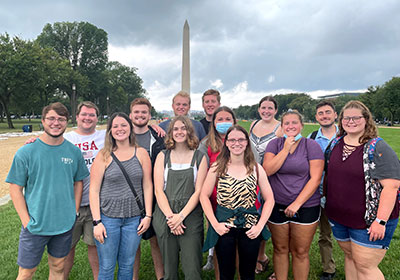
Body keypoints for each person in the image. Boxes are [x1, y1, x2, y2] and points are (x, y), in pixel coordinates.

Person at [7, 102, 89, 280]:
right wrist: (26, 220)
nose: (56, 123)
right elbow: (15, 187)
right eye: (51, 118)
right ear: (43, 121)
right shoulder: (26, 152)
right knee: (26, 272)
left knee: (58, 267)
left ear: (67, 122)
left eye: (61, 119)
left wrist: (74, 211)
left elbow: (78, 182)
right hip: (35, 225)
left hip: (64, 224)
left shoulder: (74, 152)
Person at [325, 100, 400, 280]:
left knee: (366, 266)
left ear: (366, 120)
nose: (351, 121)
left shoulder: (378, 147)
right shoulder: (335, 143)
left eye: (356, 118)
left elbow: (392, 186)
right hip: (340, 217)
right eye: (346, 118)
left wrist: (380, 221)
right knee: (350, 258)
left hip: (369, 221)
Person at [201, 125, 275, 280]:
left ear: (247, 142)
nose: (237, 143)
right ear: (226, 143)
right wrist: (215, 224)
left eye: (241, 139)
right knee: (225, 273)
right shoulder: (217, 167)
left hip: (250, 227)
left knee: (247, 273)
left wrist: (260, 225)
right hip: (224, 227)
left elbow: (269, 199)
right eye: (232, 140)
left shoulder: (256, 168)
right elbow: (204, 196)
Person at [89, 112, 153, 279]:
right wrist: (97, 222)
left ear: (130, 128)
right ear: (110, 131)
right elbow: (94, 190)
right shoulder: (103, 155)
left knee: (127, 265)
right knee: (107, 266)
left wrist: (148, 215)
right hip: (108, 218)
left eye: (123, 125)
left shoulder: (141, 154)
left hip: (134, 220)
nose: (120, 129)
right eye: (115, 126)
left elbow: (147, 185)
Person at [263, 110, 324, 280]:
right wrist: (285, 149)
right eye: (286, 123)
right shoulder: (274, 145)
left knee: (301, 251)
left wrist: (297, 203)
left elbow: (315, 178)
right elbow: (267, 170)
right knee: (280, 248)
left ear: (301, 126)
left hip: (306, 206)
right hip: (277, 204)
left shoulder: (311, 146)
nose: (290, 126)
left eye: (294, 123)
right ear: (281, 127)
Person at [152, 115, 208, 280]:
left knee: (192, 267)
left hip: (190, 214)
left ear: (190, 131)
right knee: (169, 268)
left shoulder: (199, 157)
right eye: (175, 129)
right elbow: (158, 190)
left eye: (183, 128)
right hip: (165, 214)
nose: (180, 132)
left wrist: (181, 216)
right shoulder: (163, 156)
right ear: (170, 133)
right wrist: (171, 218)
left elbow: (199, 191)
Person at [63, 101, 104, 280]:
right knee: (66, 248)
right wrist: (32, 140)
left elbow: (129, 130)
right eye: (84, 114)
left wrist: (156, 128)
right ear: (77, 117)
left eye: (92, 115)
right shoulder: (67, 139)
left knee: (94, 247)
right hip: (70, 204)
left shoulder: (105, 137)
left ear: (97, 118)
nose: (88, 118)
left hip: (97, 204)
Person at [198, 106, 237, 277]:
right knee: (220, 241)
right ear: (213, 123)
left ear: (234, 121)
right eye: (219, 119)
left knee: (238, 243)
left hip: (240, 201)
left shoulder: (242, 140)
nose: (223, 122)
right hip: (215, 201)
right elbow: (201, 173)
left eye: (227, 119)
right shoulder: (206, 144)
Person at [129, 98, 165, 280]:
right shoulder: (122, 135)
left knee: (155, 239)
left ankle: (161, 276)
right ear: (130, 115)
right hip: (129, 194)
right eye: (137, 112)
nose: (140, 115)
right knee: (132, 242)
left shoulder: (159, 137)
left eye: (144, 112)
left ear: (149, 116)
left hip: (154, 193)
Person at [249, 96, 282, 275]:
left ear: (275, 110)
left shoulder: (280, 128)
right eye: (263, 107)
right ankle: (260, 256)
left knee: (272, 221)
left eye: (270, 108)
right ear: (259, 109)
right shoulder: (254, 124)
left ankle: (278, 266)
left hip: (272, 179)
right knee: (255, 218)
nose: (266, 111)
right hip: (253, 179)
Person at [307, 100, 338, 280]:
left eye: (328, 112)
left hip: (340, 193)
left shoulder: (346, 136)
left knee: (349, 234)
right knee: (324, 234)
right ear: (316, 117)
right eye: (320, 113)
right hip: (316, 193)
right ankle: (329, 269)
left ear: (335, 114)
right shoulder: (311, 139)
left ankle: (358, 266)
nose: (324, 116)